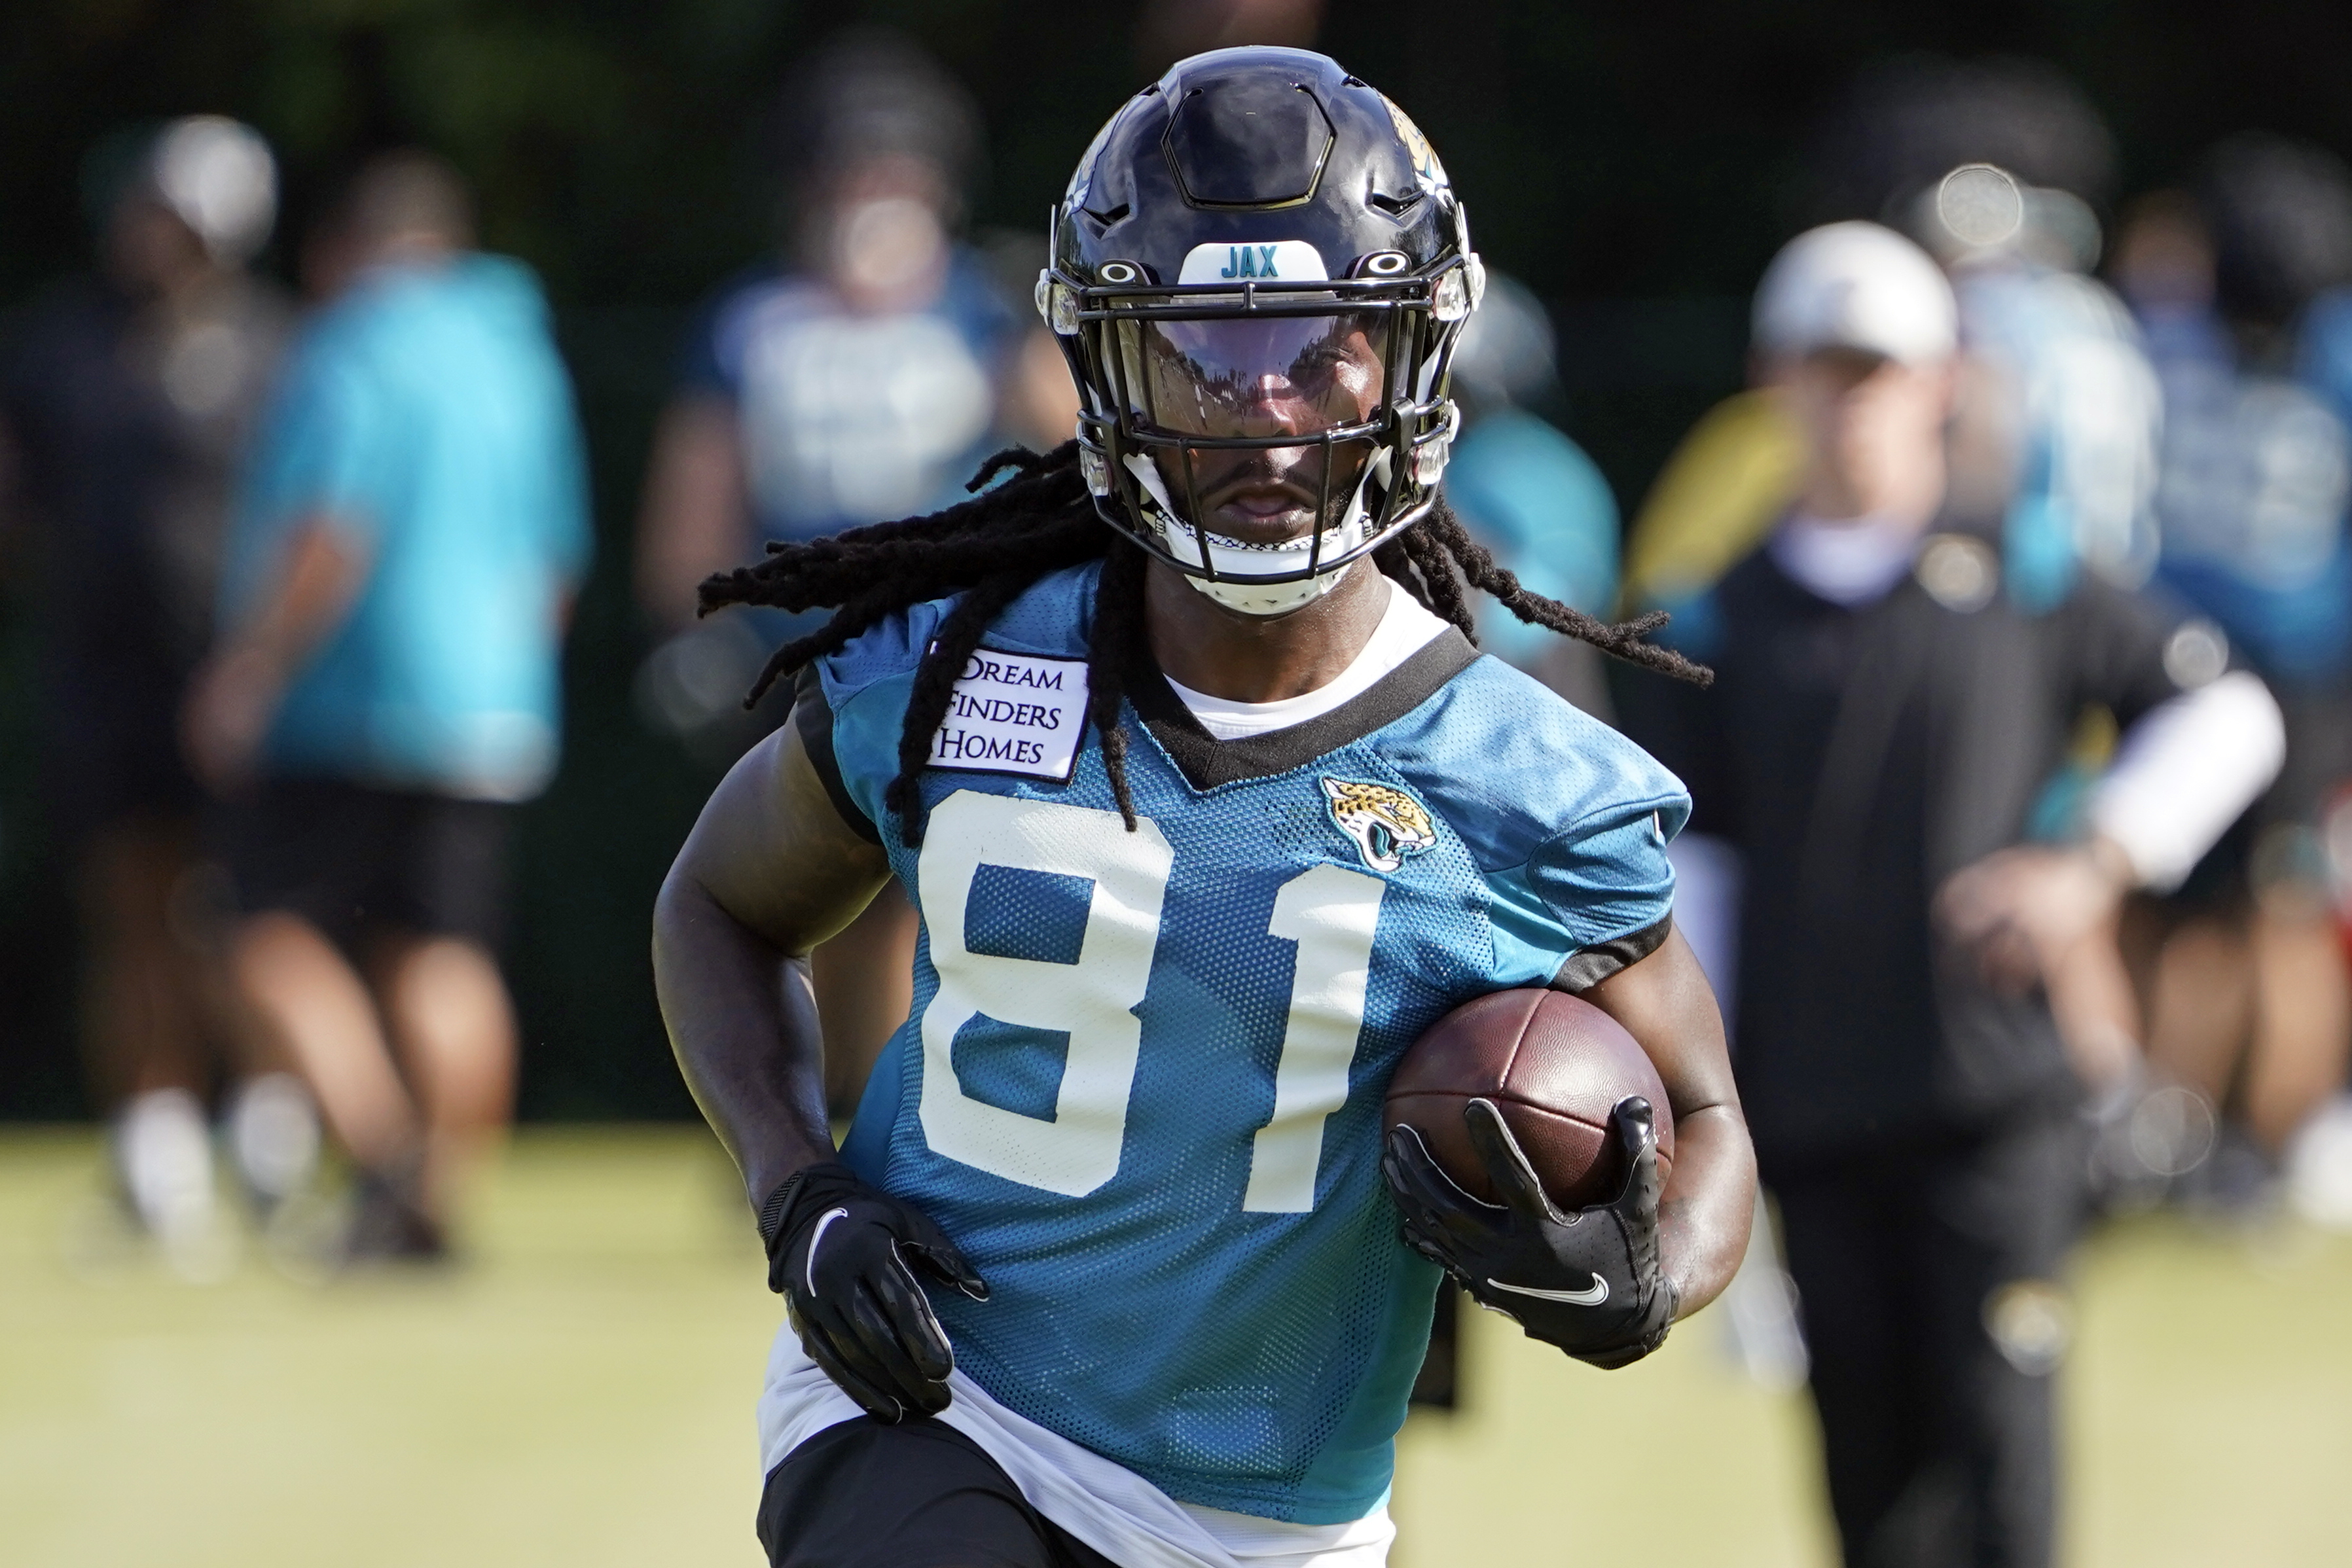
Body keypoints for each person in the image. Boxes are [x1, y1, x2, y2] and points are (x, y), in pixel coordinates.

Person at [655, 48, 1758, 1568]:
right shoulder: (960, 661)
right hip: (939, 1411)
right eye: (1200, 351)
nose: (1263, 410)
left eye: (1322, 349)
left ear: (1416, 355)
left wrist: (1647, 1268)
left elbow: (1706, 1120)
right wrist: (799, 1188)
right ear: (1101, 368)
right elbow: (716, 902)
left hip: (1277, 1516)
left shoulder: (1526, 778)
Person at [1619, 221, 2283, 1568]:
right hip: (1813, 1113)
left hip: (1990, 1106)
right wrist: (1708, 1120)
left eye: (1881, 368)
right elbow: (1704, 885)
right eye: (1826, 367)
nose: (1852, 399)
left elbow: (2228, 715)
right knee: (1870, 1493)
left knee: (2007, 1471)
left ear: (1941, 381)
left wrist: (2091, 866)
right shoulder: (1715, 621)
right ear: (1774, 379)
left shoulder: (2024, 575)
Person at [182, 152, 592, 1261]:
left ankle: (383, 1164)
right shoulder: (518, 356)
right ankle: (442, 1199)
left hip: (352, 701)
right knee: (442, 949)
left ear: (344, 250)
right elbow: (555, 556)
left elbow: (332, 528)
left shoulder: (351, 343)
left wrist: (249, 669)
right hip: (492, 705)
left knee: (256, 930)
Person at [633, 31, 1016, 1113]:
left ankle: (876, 1109)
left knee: (913, 896)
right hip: (794, 648)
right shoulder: (755, 321)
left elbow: (1064, 455)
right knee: (795, 893)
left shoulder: (980, 310)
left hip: (951, 635)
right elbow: (699, 481)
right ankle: (807, 1102)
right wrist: (686, 622)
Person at [0, 116, 300, 1274]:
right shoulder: (64, 343)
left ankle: (273, 1138)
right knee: (129, 914)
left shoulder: (277, 348)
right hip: (99, 681)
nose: (150, 235)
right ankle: (155, 1157)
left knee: (243, 916)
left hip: (235, 684)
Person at [2106, 142, 2352, 1175]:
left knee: (2177, 908)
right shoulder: (2336, 346)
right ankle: (2256, 1143)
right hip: (2294, 672)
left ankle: (2172, 1132)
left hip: (2181, 658)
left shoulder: (2160, 342)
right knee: (2280, 907)